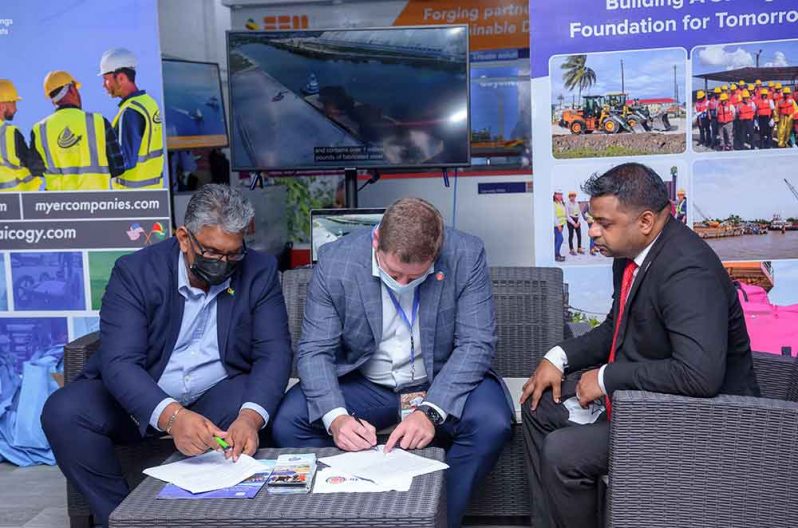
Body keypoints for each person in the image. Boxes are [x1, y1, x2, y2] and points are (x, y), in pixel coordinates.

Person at [519, 163, 760, 528]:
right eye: (591, 219)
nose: (593, 231)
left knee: (563, 452)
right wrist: (558, 357)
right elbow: (616, 329)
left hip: (701, 425)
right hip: (647, 404)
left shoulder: (687, 271)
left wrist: (605, 379)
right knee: (538, 405)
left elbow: (699, 375)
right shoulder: (631, 254)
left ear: (645, 221)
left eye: (604, 223)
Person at [42, 184, 292, 527]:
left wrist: (249, 418)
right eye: (213, 253)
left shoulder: (258, 271)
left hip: (216, 397)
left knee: (266, 406)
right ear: (184, 238)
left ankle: (219, 516)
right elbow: (120, 363)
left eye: (233, 254)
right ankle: (120, 517)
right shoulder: (135, 272)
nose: (224, 263)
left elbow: (273, 353)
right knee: (64, 411)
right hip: (136, 399)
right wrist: (172, 417)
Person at [271, 197, 513, 528]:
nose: (403, 285)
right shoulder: (337, 261)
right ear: (376, 241)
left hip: (438, 379)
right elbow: (314, 350)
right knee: (289, 421)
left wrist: (430, 411)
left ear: (436, 255)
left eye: (415, 277)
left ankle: (441, 516)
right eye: (394, 273)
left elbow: (476, 343)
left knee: (492, 422)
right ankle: (356, 513)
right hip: (368, 384)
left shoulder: (465, 253)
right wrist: (338, 419)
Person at [30, 71, 125, 190]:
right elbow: (118, 167)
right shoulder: (98, 122)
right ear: (72, 90)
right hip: (96, 202)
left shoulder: (39, 129)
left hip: (57, 204)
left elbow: (35, 169)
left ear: (52, 99)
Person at [100, 48, 165, 189]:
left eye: (106, 80)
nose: (103, 85)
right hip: (152, 194)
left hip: (132, 199)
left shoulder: (131, 111)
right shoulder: (149, 103)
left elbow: (124, 161)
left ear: (121, 78)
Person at [0, 79, 41, 191]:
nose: (16, 108)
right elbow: (33, 166)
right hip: (15, 202)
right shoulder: (9, 133)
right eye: (13, 102)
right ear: (2, 106)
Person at [565, 191, 583, 256]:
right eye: (571, 196)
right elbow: (567, 215)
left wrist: (578, 222)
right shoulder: (567, 204)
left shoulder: (577, 203)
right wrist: (573, 223)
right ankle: (571, 249)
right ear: (569, 197)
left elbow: (579, 213)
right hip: (570, 220)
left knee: (579, 235)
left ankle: (579, 248)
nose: (573, 197)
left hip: (577, 220)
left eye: (574, 196)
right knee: (571, 235)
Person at [553, 190, 567, 262]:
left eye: (561, 194)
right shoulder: (553, 204)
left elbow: (566, 214)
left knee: (556, 240)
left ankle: (557, 254)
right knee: (560, 239)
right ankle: (556, 255)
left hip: (562, 224)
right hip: (556, 225)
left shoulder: (562, 204)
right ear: (555, 195)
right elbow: (554, 215)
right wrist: (558, 225)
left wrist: (573, 223)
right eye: (558, 194)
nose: (560, 196)